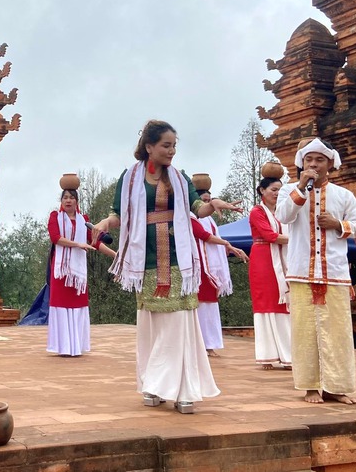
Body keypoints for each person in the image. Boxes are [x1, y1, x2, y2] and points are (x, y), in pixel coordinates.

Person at [93, 120, 241, 413]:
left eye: (174, 145)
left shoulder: (179, 177)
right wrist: (105, 222)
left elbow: (197, 208)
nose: (172, 151)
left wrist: (215, 205)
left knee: (177, 324)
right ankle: (154, 384)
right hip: (143, 259)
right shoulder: (130, 177)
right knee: (152, 324)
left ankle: (183, 388)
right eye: (166, 145)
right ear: (149, 147)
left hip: (177, 259)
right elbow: (118, 213)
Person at [275, 137, 356, 405]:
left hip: (335, 274)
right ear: (301, 164)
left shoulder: (343, 195)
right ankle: (311, 387)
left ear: (330, 164)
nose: (313, 164)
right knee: (305, 332)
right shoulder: (289, 190)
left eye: (319, 160)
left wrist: (338, 224)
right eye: (308, 160)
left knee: (337, 332)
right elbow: (283, 216)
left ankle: (336, 387)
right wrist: (301, 189)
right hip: (302, 272)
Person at [47, 178, 116, 356]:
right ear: (61, 201)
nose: (68, 200)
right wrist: (78, 245)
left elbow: (95, 242)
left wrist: (115, 255)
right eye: (65, 198)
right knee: (61, 304)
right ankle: (63, 347)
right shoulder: (55, 217)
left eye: (71, 197)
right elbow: (56, 238)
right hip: (61, 270)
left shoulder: (84, 220)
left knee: (78, 304)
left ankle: (76, 346)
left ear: (77, 201)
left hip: (78, 274)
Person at [190, 192, 248, 357]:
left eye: (209, 200)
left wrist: (227, 247)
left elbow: (213, 237)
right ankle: (201, 345)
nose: (207, 203)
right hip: (197, 263)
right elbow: (203, 235)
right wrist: (227, 244)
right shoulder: (188, 216)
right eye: (204, 200)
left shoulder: (209, 219)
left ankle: (208, 344)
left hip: (208, 265)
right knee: (200, 302)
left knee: (209, 303)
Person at [248, 176, 292, 370]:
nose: (277, 193)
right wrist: (298, 240)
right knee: (267, 304)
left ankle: (287, 354)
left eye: (279, 190)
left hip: (282, 259)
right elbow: (269, 236)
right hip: (263, 259)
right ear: (262, 190)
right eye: (273, 189)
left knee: (284, 303)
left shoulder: (283, 213)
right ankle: (268, 354)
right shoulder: (257, 212)